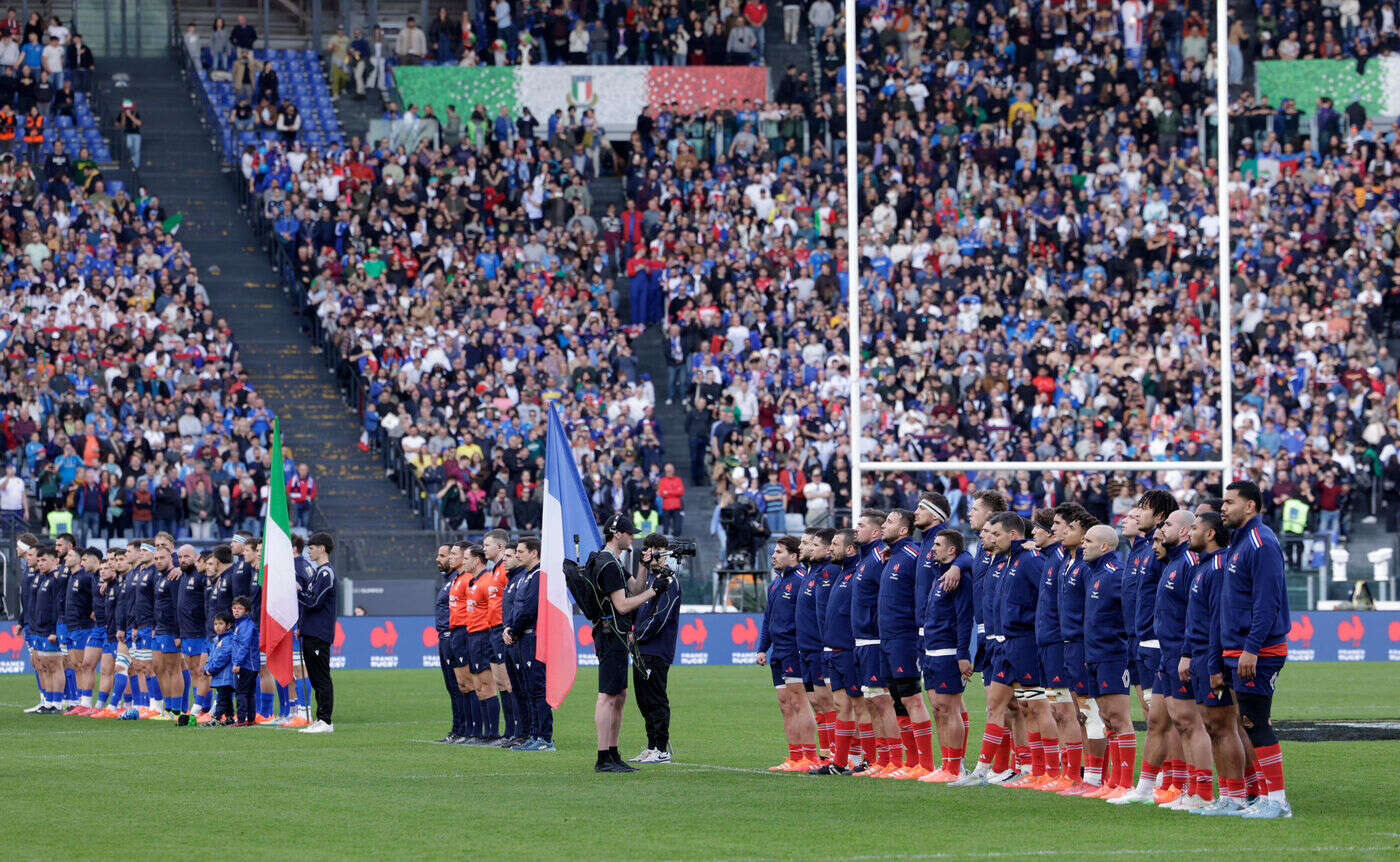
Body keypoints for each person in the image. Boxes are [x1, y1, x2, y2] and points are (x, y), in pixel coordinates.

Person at [1113, 508, 1199, 807]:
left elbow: (1195, 613)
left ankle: (1195, 790)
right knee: (1156, 721)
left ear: (1185, 532)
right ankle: (1146, 786)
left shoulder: (1188, 562)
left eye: (1167, 525)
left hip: (1178, 654)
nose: (1161, 529)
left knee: (1187, 723)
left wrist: (1187, 652)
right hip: (1165, 654)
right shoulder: (1170, 561)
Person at [1219, 480, 1292, 818]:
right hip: (1239, 649)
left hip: (1257, 652)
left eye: (1230, 502)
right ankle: (1264, 796)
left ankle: (1277, 801)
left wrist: (1252, 648)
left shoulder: (1261, 543)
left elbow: (1267, 602)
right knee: (1247, 723)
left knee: (1255, 723)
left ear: (1250, 506)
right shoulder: (1240, 541)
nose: (1223, 508)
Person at [592, 513, 661, 773]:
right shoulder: (608, 564)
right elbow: (622, 605)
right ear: (617, 534)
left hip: (616, 634)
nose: (633, 538)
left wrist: (644, 565)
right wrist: (653, 592)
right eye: (630, 533)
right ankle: (603, 757)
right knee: (607, 695)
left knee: (618, 695)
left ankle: (612, 752)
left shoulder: (615, 561)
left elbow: (634, 588)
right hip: (611, 633)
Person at [876, 508, 936, 779]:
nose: (883, 525)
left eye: (889, 522)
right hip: (887, 637)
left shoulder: (913, 554)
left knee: (911, 697)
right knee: (896, 700)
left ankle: (925, 763)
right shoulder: (892, 556)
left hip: (905, 637)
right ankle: (910, 762)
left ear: (902, 530)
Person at [1079, 523, 1137, 799]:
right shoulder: (1094, 573)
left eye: (1088, 541)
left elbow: (1129, 615)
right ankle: (1112, 782)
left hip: (1113, 655)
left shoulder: (1116, 575)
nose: (1083, 544)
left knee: (1118, 717)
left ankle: (1125, 783)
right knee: (1105, 718)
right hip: (1095, 655)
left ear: (1104, 546)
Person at [755, 535, 818, 772]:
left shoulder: (802, 580)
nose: (774, 555)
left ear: (794, 556)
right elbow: (768, 619)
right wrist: (762, 647)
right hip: (778, 652)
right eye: (774, 552)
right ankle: (794, 756)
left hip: (794, 650)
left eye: (779, 552)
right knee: (784, 704)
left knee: (799, 702)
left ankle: (810, 757)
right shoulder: (775, 584)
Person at [917, 529, 974, 782]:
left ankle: (955, 768)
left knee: (949, 709)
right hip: (931, 650)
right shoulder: (939, 575)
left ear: (952, 550)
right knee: (939, 709)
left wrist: (962, 654)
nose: (933, 549)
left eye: (938, 545)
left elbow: (964, 619)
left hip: (948, 651)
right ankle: (946, 764)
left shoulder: (960, 579)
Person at [812, 529, 866, 775]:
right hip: (834, 650)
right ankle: (840, 762)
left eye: (835, 544)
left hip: (849, 649)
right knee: (840, 704)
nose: (830, 548)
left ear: (851, 549)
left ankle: (870, 760)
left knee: (860, 706)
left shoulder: (857, 573)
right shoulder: (843, 572)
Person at [628, 532, 681, 763]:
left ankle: (661, 749)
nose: (648, 553)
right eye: (646, 549)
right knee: (643, 699)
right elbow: (635, 601)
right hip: (641, 650)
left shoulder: (669, 582)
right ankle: (651, 746)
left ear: (662, 551)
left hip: (656, 650)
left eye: (652, 549)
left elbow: (661, 616)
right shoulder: (650, 580)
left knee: (656, 698)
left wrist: (637, 635)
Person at [503, 536, 554, 751]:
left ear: (534, 552)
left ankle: (545, 738)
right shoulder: (526, 576)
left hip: (533, 637)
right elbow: (518, 607)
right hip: (523, 637)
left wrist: (513, 630)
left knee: (537, 688)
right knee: (527, 687)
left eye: (520, 552)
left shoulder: (539, 576)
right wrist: (510, 629)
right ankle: (534, 734)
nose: (517, 555)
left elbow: (530, 609)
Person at [793, 527, 837, 762]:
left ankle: (839, 753)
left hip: (820, 648)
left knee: (827, 701)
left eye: (808, 543)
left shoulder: (828, 571)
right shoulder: (811, 572)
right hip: (806, 648)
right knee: (816, 702)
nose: (803, 547)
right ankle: (826, 752)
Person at [482, 529, 522, 745]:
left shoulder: (506, 571)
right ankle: (509, 731)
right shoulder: (495, 570)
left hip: (502, 628)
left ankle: (516, 730)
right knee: (499, 682)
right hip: (493, 629)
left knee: (508, 682)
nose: (483, 548)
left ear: (500, 547)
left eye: (486, 544)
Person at [297, 531, 337, 734]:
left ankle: (325, 720)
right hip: (310, 632)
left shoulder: (325, 573)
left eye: (311, 548)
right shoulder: (317, 573)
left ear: (322, 548)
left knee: (321, 677)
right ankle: (320, 719)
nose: (308, 552)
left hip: (319, 634)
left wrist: (297, 590)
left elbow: (313, 602)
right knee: (314, 677)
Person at [432, 543, 469, 744]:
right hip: (445, 636)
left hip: (456, 635)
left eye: (443, 555)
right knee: (452, 686)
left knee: (461, 685)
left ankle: (466, 730)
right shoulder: (449, 581)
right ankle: (457, 729)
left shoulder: (460, 580)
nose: (438, 559)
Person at [230, 595, 259, 726]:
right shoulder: (240, 624)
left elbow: (244, 645)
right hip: (250, 664)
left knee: (241, 692)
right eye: (234, 608)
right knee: (249, 692)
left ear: (246, 611)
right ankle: (251, 719)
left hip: (246, 664)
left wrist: (237, 663)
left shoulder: (245, 625)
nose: (236, 611)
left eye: (240, 608)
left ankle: (241, 719)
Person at [204, 612, 238, 724]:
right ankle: (229, 717)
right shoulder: (217, 639)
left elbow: (223, 657)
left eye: (220, 623)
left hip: (226, 675)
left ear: (228, 625)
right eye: (215, 624)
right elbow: (212, 655)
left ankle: (216, 718)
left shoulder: (228, 639)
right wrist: (207, 667)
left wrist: (211, 669)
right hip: (219, 676)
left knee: (222, 698)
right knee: (226, 698)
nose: (217, 627)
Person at [116, 98, 140, 168]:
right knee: (129, 145)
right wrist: (124, 117)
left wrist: (130, 115)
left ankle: (136, 166)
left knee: (137, 150)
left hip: (136, 134)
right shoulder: (121, 114)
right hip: (127, 133)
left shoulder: (135, 113)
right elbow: (120, 124)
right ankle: (132, 157)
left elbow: (139, 123)